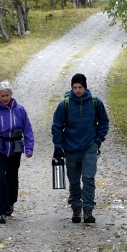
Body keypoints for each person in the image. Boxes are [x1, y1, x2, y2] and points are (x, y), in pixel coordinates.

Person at [51, 73, 109, 224]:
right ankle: (76, 208)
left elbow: (104, 122)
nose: (77, 90)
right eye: (74, 87)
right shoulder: (65, 104)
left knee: (89, 178)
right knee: (74, 181)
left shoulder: (96, 103)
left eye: (80, 87)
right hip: (70, 149)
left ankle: (88, 210)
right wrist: (58, 146)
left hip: (89, 147)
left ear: (85, 87)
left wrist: (98, 140)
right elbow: (57, 126)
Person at [0, 80, 34, 224]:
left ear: (11, 95)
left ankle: (10, 202)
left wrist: (29, 148)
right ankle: (1, 211)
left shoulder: (20, 110)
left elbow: (27, 130)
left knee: (11, 177)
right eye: (2, 95)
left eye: (7, 95)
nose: (5, 98)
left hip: (15, 148)